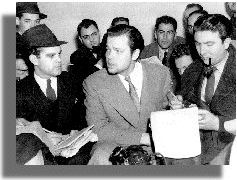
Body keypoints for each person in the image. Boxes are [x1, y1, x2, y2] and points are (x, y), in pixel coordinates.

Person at [83, 24, 172, 165]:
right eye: (107, 49)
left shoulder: (160, 74)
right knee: (101, 157)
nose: (109, 56)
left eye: (117, 51)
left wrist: (177, 109)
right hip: (115, 147)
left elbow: (166, 114)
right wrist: (143, 138)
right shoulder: (94, 83)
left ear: (135, 54)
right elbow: (98, 129)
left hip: (156, 148)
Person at [16, 24, 96, 165]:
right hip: (41, 154)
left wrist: (76, 131)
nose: (59, 60)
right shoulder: (20, 90)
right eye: (51, 56)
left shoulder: (73, 81)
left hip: (76, 154)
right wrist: (42, 136)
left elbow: (86, 112)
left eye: (59, 54)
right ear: (34, 59)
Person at [171, 14, 236, 165]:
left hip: (231, 147)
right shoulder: (194, 68)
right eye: (198, 44)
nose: (202, 51)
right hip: (197, 144)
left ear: (226, 42)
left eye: (209, 44)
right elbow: (185, 97)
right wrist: (180, 105)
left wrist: (217, 123)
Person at [139, 15, 185, 92]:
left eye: (169, 32)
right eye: (161, 32)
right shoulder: (144, 53)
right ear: (155, 34)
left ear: (175, 35)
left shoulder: (184, 50)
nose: (165, 37)